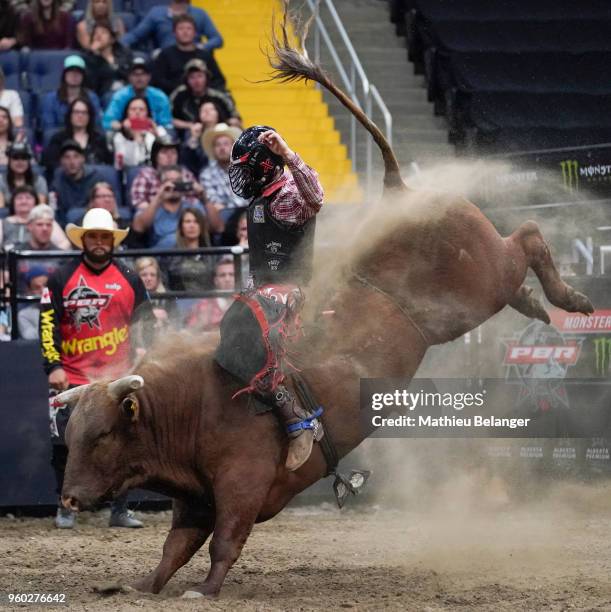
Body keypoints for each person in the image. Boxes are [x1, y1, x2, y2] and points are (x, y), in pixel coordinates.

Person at [216, 126, 324, 471]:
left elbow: (316, 198)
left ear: (265, 165)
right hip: (262, 291)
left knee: (239, 328)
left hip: (289, 290)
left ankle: (295, 417)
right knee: (227, 330)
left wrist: (288, 153)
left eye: (246, 169)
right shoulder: (261, 198)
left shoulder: (289, 193)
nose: (241, 179)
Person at [40, 207, 151, 529]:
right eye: (94, 237)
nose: (100, 242)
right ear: (83, 240)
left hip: (116, 377)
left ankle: (119, 508)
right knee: (63, 443)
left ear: (112, 241)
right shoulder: (61, 278)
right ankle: (65, 506)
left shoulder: (130, 277)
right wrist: (53, 365)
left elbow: (146, 320)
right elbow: (48, 325)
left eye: (105, 237)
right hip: (71, 377)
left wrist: (147, 348)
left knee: (122, 443)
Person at [131, 164, 221, 247]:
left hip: (190, 256)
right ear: (161, 184)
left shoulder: (192, 207)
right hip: (162, 256)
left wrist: (204, 199)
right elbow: (138, 228)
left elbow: (218, 228)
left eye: (178, 181)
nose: (173, 185)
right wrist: (159, 197)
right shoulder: (152, 208)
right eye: (169, 181)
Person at [151, 14, 226, 96]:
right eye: (181, 28)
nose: (185, 32)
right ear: (174, 33)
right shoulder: (165, 55)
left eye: (189, 28)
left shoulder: (205, 55)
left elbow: (219, 80)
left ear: (195, 33)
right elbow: (157, 81)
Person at [42, 97, 112, 179]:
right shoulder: (58, 138)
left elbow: (108, 164)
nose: (80, 116)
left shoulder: (99, 139)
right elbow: (51, 165)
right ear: (70, 115)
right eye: (76, 112)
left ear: (90, 116)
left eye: (84, 113)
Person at [122, 0, 223, 52]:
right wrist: (117, 46)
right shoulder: (157, 13)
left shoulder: (199, 14)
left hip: (192, 57)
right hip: (166, 59)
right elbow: (136, 35)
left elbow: (217, 39)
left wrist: (201, 47)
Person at [130, 136, 197, 212]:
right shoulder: (146, 175)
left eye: (173, 152)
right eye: (164, 152)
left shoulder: (186, 174)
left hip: (185, 217)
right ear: (155, 156)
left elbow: (196, 202)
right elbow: (139, 204)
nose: (169, 156)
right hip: (154, 219)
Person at [170, 59, 234, 134]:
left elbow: (235, 119)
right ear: (186, 80)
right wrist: (190, 125)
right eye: (192, 77)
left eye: (200, 76)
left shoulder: (219, 97)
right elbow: (169, 119)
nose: (196, 81)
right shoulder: (179, 95)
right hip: (186, 135)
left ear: (207, 77)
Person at [40, 55, 102, 133]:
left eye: (78, 72)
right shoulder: (50, 99)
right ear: (64, 75)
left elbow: (96, 125)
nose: (74, 75)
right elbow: (49, 128)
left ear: (83, 76)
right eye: (70, 71)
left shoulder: (92, 97)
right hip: (59, 140)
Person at [51, 140, 104, 225]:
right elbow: (55, 210)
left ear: (83, 159)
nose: (72, 162)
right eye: (67, 157)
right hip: (66, 226)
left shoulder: (96, 179)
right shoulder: (57, 182)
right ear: (61, 161)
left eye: (76, 157)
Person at [0, 185, 69, 249]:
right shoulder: (2, 223)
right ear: (13, 202)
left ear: (35, 202)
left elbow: (64, 244)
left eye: (28, 198)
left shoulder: (47, 221)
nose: (24, 201)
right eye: (19, 198)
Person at [199, 123, 247, 211]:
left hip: (247, 214)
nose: (222, 148)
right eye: (218, 145)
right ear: (213, 149)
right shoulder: (206, 174)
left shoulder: (245, 170)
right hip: (225, 217)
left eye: (226, 144)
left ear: (233, 147)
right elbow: (214, 203)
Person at [164, 205, 212, 291]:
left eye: (196, 222)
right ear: (181, 227)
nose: (192, 226)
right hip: (179, 301)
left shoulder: (211, 254)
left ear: (201, 226)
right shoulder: (171, 256)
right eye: (187, 221)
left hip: (207, 301)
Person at [112, 96, 167, 168]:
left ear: (148, 113)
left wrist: (157, 136)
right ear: (127, 113)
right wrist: (133, 137)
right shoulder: (120, 136)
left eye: (142, 109)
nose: (137, 112)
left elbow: (168, 156)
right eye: (133, 109)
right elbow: (126, 164)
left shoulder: (159, 130)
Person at [83, 23, 133, 100]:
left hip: (126, 90)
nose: (98, 36)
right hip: (104, 94)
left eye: (103, 32)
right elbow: (92, 84)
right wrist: (95, 56)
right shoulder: (89, 58)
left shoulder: (124, 54)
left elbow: (129, 75)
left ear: (112, 39)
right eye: (95, 33)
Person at [185, 256, 234, 331]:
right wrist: (200, 325)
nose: (227, 279)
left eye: (231, 274)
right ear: (216, 280)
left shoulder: (247, 304)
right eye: (222, 275)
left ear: (238, 277)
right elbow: (189, 334)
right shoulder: (202, 305)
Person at [182, 99, 228, 175]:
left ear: (218, 113)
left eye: (211, 109)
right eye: (203, 110)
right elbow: (188, 160)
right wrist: (194, 137)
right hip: (201, 171)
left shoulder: (227, 130)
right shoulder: (193, 132)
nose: (207, 112)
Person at [0, 142, 48, 209]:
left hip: (34, 217)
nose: (20, 161)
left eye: (24, 158)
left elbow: (40, 209)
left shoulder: (39, 181)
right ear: (9, 161)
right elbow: (1, 210)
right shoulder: (1, 180)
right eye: (15, 158)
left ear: (29, 161)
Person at [17, 266, 48, 339]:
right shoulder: (24, 315)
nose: (43, 290)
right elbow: (30, 338)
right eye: (37, 287)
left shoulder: (62, 307)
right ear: (29, 290)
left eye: (46, 285)